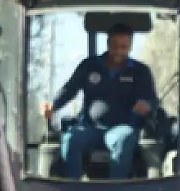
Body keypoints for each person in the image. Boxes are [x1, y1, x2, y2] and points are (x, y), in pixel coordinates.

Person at [41, 21, 157, 180]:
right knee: (70, 138)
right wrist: (53, 105)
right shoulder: (89, 66)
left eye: (124, 46)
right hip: (90, 128)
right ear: (108, 43)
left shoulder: (140, 71)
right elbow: (70, 89)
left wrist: (147, 106)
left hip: (121, 128)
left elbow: (152, 100)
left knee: (125, 138)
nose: (119, 50)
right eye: (115, 45)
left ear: (130, 47)